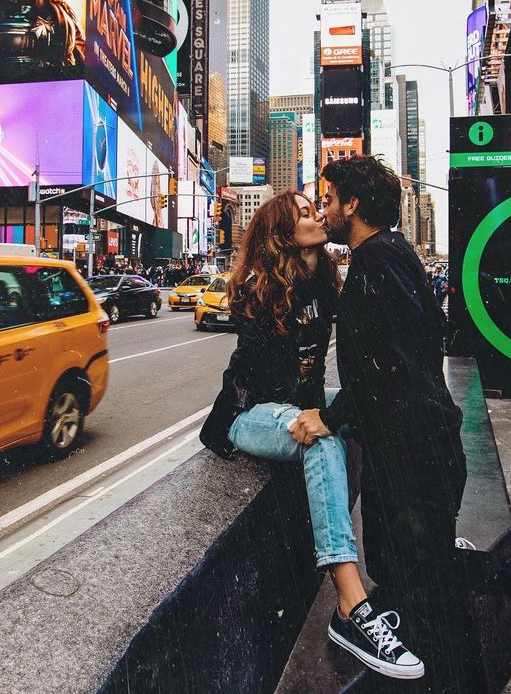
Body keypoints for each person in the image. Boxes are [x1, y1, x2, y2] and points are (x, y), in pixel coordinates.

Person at [291, 157, 511, 691]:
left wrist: (331, 417)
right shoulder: (392, 256)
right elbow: (425, 342)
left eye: (328, 199)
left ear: (353, 204)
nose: (324, 209)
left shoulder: (376, 262)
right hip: (416, 445)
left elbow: (390, 365)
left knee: (425, 583)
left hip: (412, 452)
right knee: (412, 576)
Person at [200, 191, 424, 681]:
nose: (317, 215)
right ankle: (351, 605)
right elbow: (269, 382)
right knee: (320, 439)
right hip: (250, 412)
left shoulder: (324, 281)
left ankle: (423, 537)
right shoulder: (261, 288)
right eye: (304, 213)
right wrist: (320, 415)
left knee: (367, 411)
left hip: (297, 401)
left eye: (315, 208)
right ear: (283, 232)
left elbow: (333, 363)